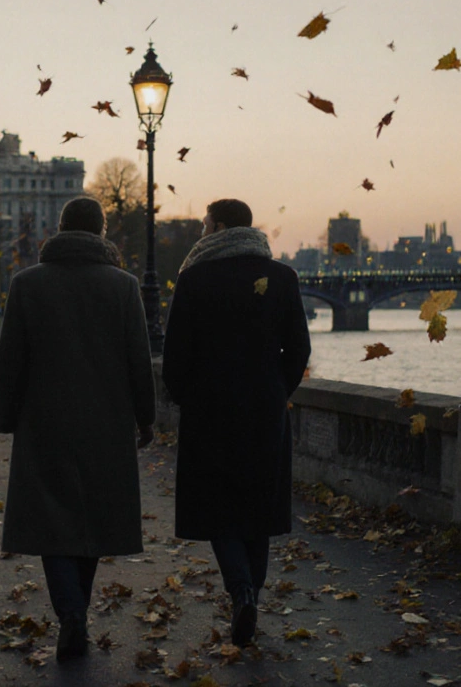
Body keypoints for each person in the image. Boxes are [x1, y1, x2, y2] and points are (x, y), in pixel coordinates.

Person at [0, 197, 155, 663]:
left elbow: (10, 361)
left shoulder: (26, 285)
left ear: (61, 229)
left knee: (52, 520)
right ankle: (76, 609)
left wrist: (7, 417)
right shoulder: (124, 287)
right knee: (94, 519)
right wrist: (145, 418)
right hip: (106, 421)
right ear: (101, 232)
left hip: (43, 421)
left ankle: (71, 614)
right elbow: (137, 361)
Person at [162, 198, 311, 647]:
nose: (201, 233)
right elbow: (299, 350)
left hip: (209, 409)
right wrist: (274, 391)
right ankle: (253, 596)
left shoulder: (193, 278)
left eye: (205, 225)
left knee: (217, 508)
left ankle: (241, 590)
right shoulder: (282, 278)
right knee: (258, 507)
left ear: (220, 226)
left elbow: (174, 358)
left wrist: (189, 397)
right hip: (264, 409)